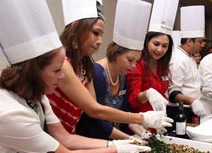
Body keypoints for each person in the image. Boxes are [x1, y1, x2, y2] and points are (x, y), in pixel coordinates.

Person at [0, 1, 153, 153]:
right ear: (33, 72)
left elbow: (64, 137)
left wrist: (118, 144)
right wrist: (116, 149)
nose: (62, 76)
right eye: (56, 71)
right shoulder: (8, 112)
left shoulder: (37, 97)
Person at [47, 0, 173, 135]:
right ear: (75, 27)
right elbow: (94, 110)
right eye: (96, 33)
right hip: (58, 139)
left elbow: (96, 108)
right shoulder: (64, 65)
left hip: (70, 137)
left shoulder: (86, 65)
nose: (100, 40)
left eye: (101, 34)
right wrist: (140, 119)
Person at [76, 0, 153, 140]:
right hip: (93, 140)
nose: (133, 66)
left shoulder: (122, 76)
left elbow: (125, 111)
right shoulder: (98, 73)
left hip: (113, 141)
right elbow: (94, 118)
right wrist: (127, 138)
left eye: (136, 61)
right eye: (130, 60)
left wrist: (142, 132)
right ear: (116, 53)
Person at [126, 0, 178, 118]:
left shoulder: (163, 65)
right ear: (147, 42)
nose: (160, 49)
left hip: (159, 120)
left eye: (164, 46)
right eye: (156, 44)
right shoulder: (137, 64)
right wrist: (148, 94)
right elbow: (133, 100)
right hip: (139, 122)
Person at [167, 5, 207, 127]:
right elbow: (173, 93)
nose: (202, 45)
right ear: (189, 41)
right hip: (179, 111)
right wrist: (192, 101)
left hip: (191, 109)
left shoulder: (190, 57)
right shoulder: (178, 59)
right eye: (200, 41)